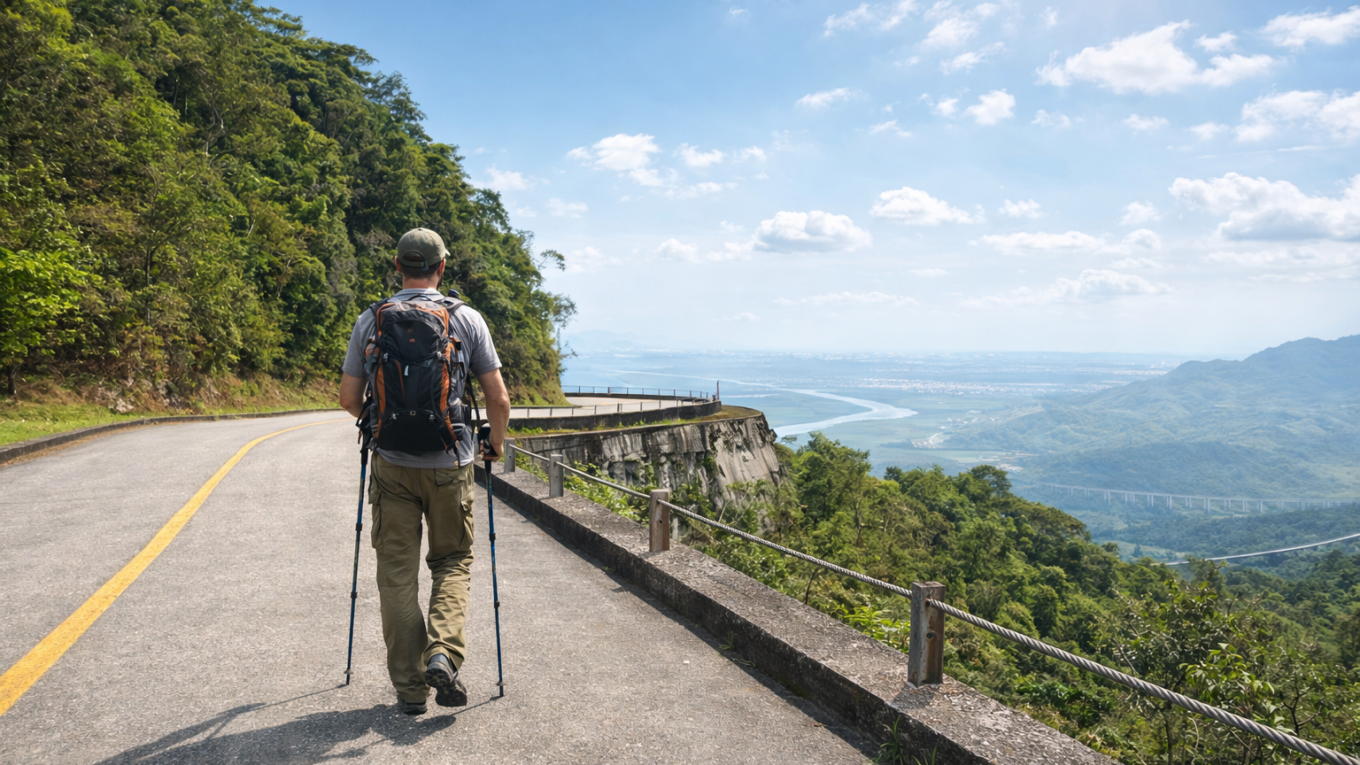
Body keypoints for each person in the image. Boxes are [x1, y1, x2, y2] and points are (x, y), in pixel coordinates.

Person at [339, 227, 511, 716]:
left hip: (391, 464)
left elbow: (350, 399)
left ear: (398, 266)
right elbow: (498, 398)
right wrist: (492, 445)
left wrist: (383, 426)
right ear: (441, 268)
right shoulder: (466, 319)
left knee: (396, 577)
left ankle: (411, 690)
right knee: (452, 561)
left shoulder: (370, 320)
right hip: (450, 463)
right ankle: (443, 652)